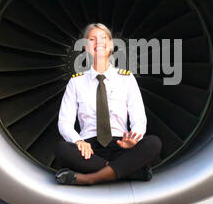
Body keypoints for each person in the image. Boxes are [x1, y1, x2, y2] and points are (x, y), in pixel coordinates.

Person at [54, 23, 162, 185]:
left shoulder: (126, 78)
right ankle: (128, 171)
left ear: (111, 45)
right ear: (85, 47)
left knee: (153, 143)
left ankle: (89, 178)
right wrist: (79, 142)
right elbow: (65, 122)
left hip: (122, 146)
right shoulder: (76, 82)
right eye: (92, 39)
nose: (98, 42)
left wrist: (134, 138)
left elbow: (139, 118)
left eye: (103, 38)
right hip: (89, 150)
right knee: (62, 149)